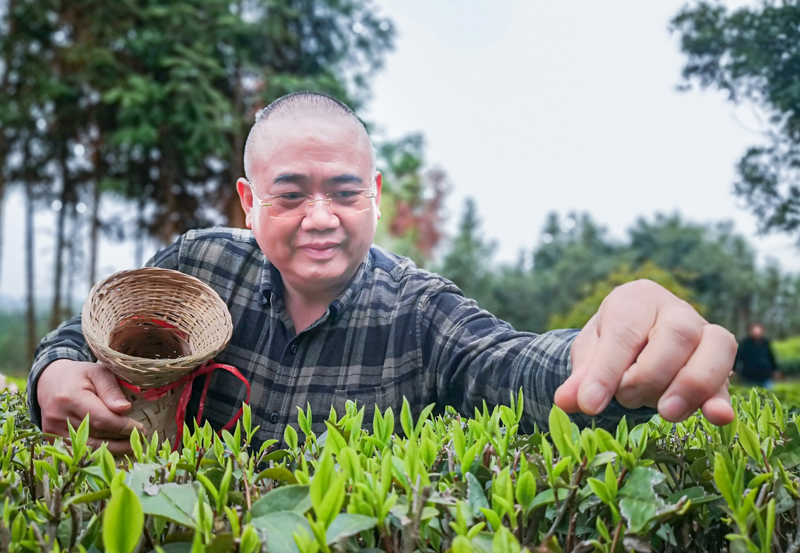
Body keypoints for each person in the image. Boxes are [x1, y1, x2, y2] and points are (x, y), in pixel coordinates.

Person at [28, 92, 737, 454]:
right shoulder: (197, 263)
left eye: (344, 191)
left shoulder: (419, 311)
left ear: (374, 194)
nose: (320, 217)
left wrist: (606, 351)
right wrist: (52, 377)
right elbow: (79, 336)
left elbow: (508, 363)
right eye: (291, 192)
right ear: (249, 202)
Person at [735, 323, 780, 388]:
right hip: (749, 376)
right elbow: (738, 357)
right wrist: (734, 369)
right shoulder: (745, 343)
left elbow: (771, 357)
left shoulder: (765, 343)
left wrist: (775, 369)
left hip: (765, 375)